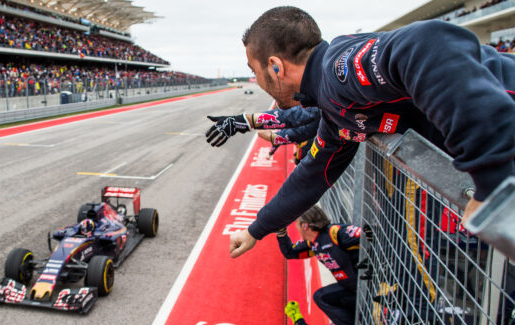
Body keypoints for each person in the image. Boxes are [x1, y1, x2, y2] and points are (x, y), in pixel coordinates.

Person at [212, 6, 515, 259]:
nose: (256, 79)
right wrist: (257, 229)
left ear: (275, 67)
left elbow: (428, 42)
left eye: (254, 70)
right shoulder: (332, 108)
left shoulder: (337, 70)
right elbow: (312, 175)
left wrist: (491, 179)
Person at [279, 206, 360, 325]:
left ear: (305, 226)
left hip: (368, 291)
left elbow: (372, 234)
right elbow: (290, 252)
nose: (296, 226)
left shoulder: (335, 233)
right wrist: (281, 232)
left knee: (320, 297)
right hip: (351, 293)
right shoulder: (313, 243)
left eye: (297, 223)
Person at [206, 105, 320, 163]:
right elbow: (291, 116)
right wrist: (242, 122)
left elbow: (291, 116)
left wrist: (242, 122)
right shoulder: (312, 118)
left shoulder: (309, 120)